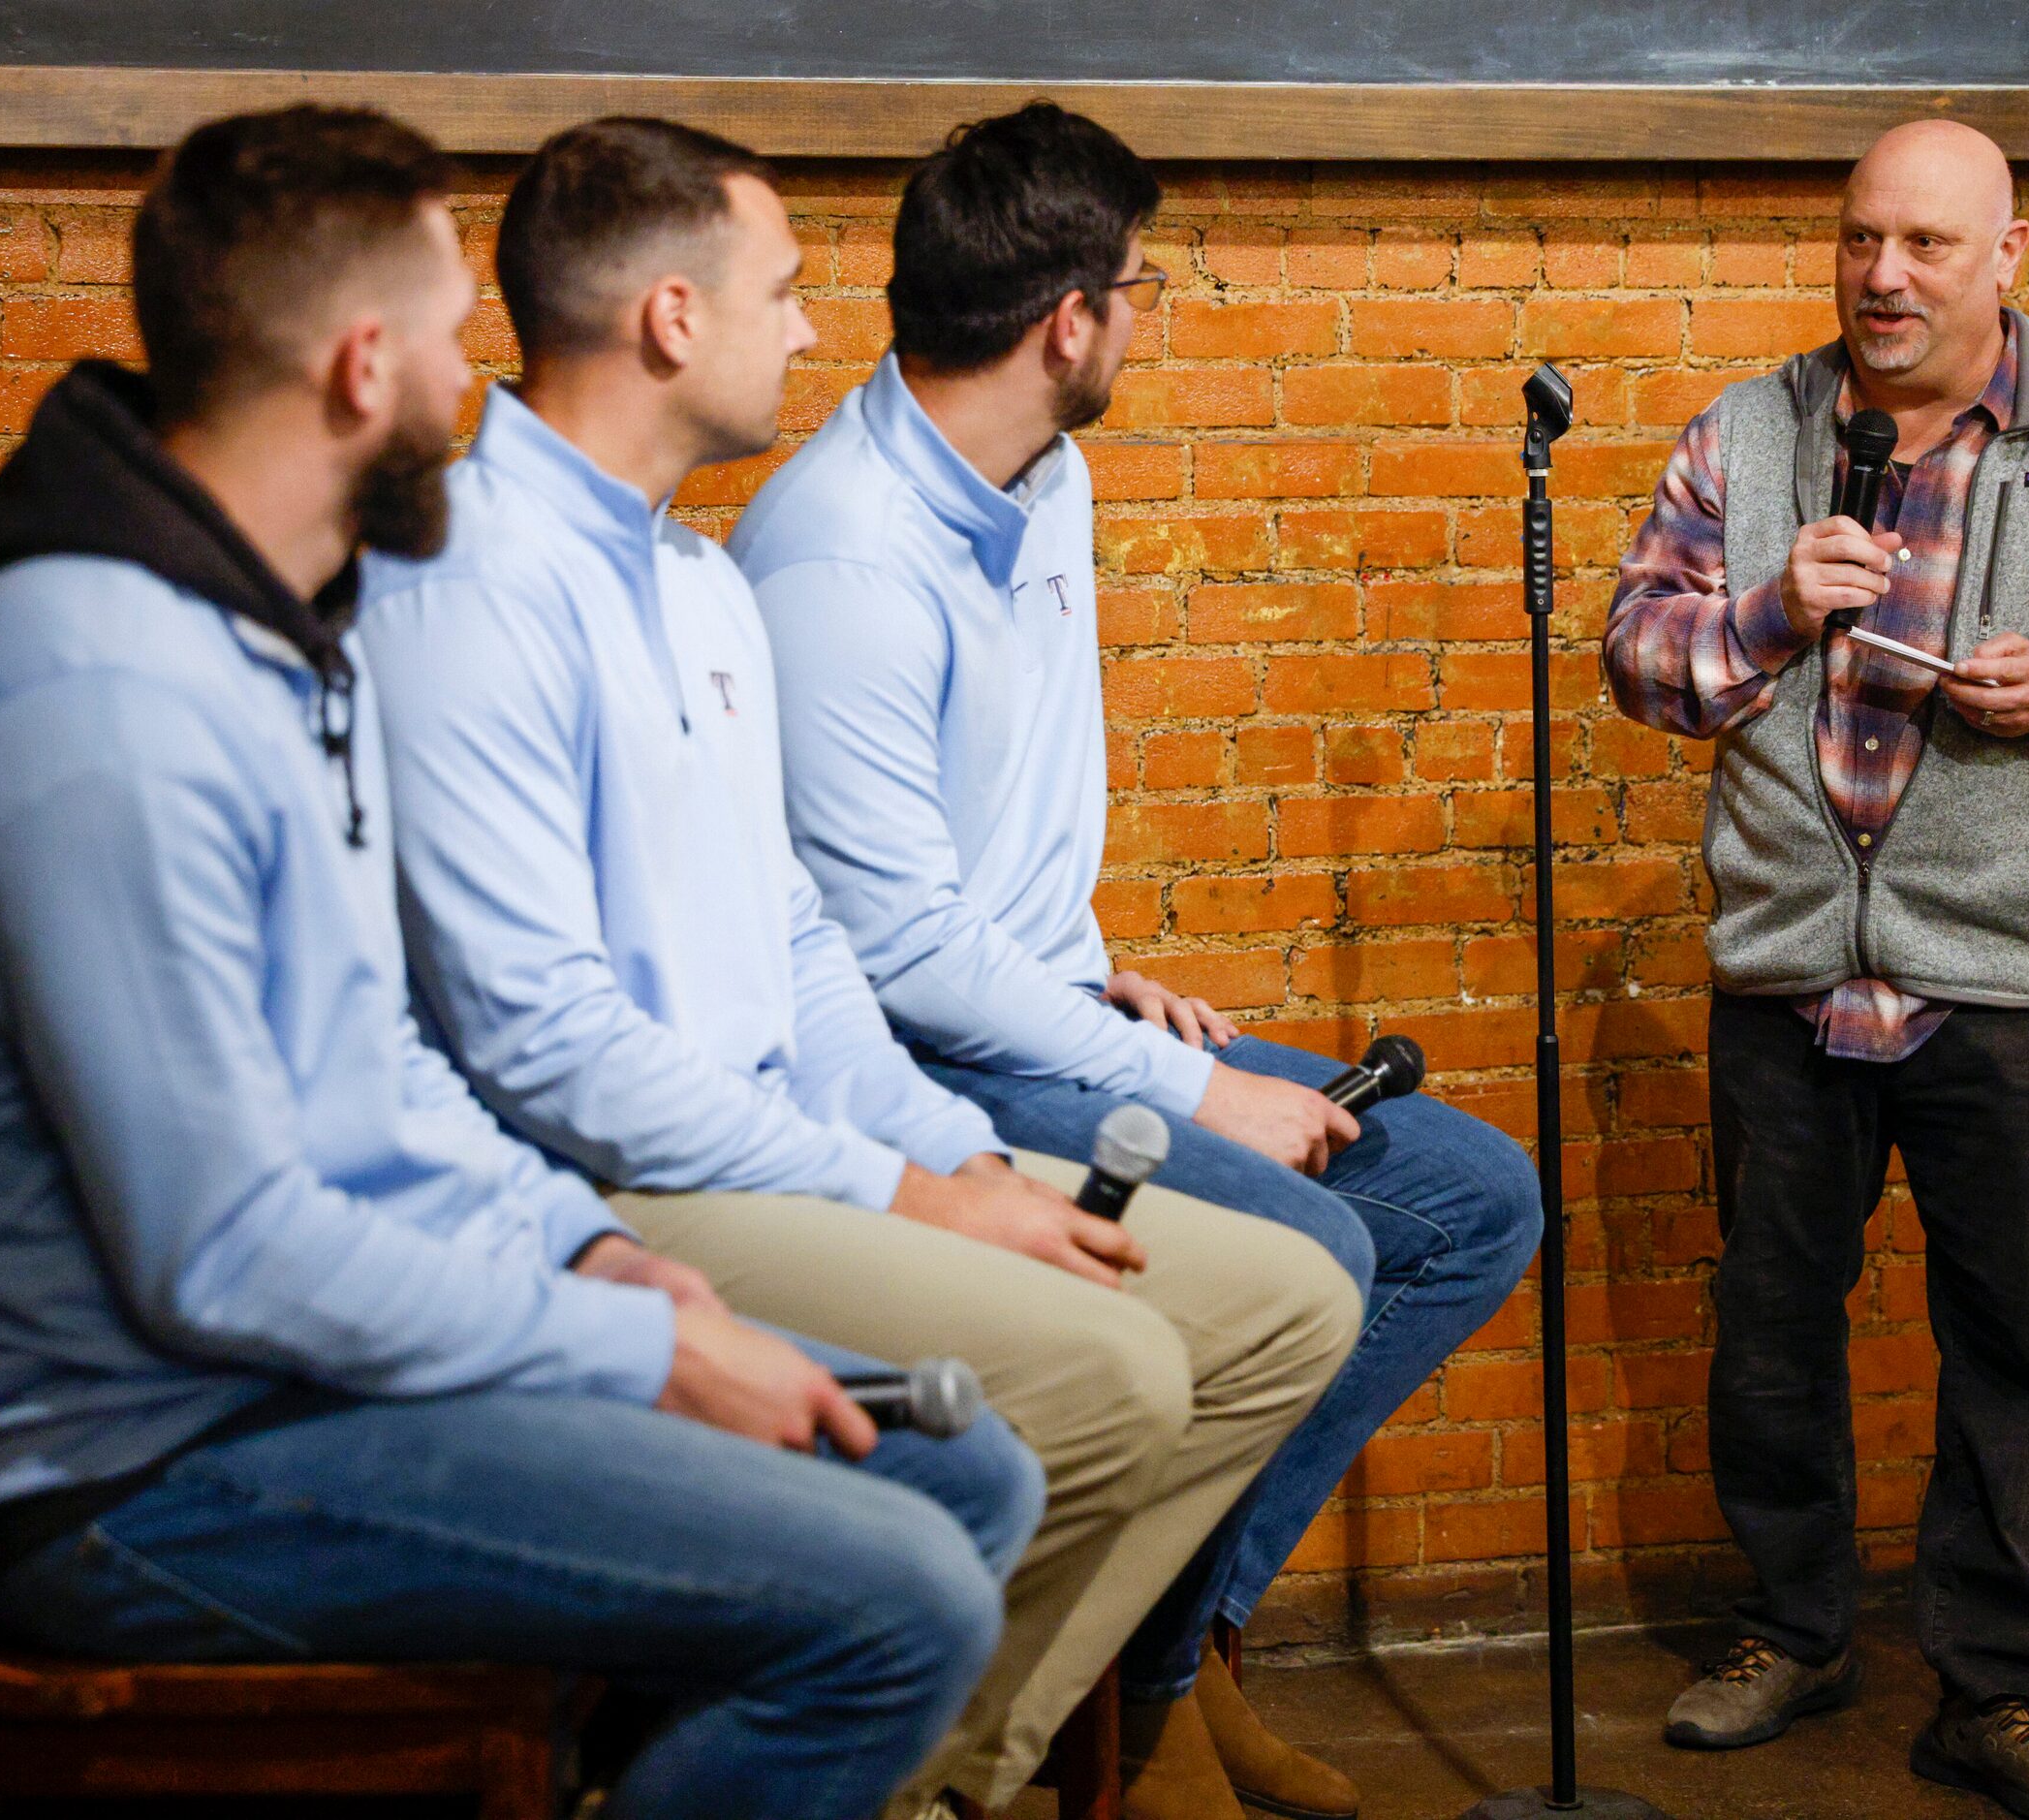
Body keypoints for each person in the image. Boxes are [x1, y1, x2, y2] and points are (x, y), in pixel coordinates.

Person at [0, 106, 1048, 1820]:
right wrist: (628, 1348)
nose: (477, 384)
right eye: (448, 335)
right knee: (901, 1597)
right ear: (363, 366)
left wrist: (585, 1246)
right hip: (141, 1468)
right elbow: (221, 1255)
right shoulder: (100, 699)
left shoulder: (271, 633)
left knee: (959, 1472)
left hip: (288, 1383)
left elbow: (385, 1073)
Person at [358, 116, 1361, 1818]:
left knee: (1292, 1300)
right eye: (783, 292)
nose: (815, 333)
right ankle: (885, 1774)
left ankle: (946, 1770)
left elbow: (809, 948)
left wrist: (948, 1155)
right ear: (673, 317)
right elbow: (551, 1052)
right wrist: (897, 1187)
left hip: (789, 1146)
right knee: (1122, 1372)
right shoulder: (469, 580)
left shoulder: (692, 579)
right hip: (619, 1185)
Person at [730, 101, 1545, 1820]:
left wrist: (1106, 984)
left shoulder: (1048, 472)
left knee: (1472, 1194)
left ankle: (1177, 1661)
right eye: (1139, 288)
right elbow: (896, 949)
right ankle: (1139, 1710)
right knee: (1318, 1230)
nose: (1144, 320)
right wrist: (1188, 1088)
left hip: (1043, 1015)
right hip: (915, 1061)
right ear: (1069, 322)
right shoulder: (841, 556)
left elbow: (1004, 846)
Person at [1607, 120, 2029, 1820]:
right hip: (1788, 973)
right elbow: (1636, 652)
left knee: (2007, 1350)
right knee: (1771, 1332)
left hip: (2006, 983)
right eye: (1859, 239)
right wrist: (1759, 616)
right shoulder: (1746, 434)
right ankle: (1795, 1627)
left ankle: (1994, 1692)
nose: (1883, 276)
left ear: (2007, 257)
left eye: (1925, 246)